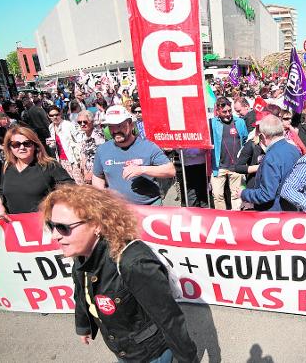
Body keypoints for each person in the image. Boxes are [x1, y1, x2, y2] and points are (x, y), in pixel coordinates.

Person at [40, 184, 197, 363]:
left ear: (97, 225)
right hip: (123, 349)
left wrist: (189, 360)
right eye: (51, 225)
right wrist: (83, 326)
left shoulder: (133, 263)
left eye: (63, 227)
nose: (54, 235)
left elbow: (170, 319)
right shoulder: (82, 256)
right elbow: (81, 294)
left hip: (150, 354)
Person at [93, 105, 175, 205]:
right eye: (111, 127)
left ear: (131, 125)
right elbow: (98, 176)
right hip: (118, 210)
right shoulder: (102, 150)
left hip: (148, 209)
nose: (115, 131)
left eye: (119, 125)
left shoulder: (148, 146)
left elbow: (170, 170)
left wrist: (141, 169)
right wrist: (102, 199)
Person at [0, 126, 73, 216]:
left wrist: (52, 204)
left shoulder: (49, 165)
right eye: (16, 144)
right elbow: (1, 190)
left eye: (27, 143)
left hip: (43, 222)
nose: (22, 147)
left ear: (35, 145)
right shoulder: (7, 167)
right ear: (10, 147)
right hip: (16, 224)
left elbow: (70, 188)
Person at [239, 115, 301, 211]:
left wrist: (243, 193)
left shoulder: (271, 157)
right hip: (290, 209)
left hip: (273, 214)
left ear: (263, 136)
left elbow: (266, 194)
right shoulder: (294, 150)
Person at [209, 97, 248, 210]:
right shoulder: (212, 123)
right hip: (218, 166)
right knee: (217, 195)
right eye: (224, 112)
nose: (228, 114)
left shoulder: (239, 122)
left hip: (236, 166)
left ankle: (235, 219)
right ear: (218, 111)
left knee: (236, 196)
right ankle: (221, 217)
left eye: (229, 111)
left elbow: (245, 139)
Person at [48, 106, 84, 184]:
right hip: (61, 160)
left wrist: (81, 159)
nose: (54, 117)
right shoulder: (51, 127)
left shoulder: (68, 125)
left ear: (60, 114)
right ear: (49, 116)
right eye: (51, 115)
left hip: (72, 158)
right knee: (69, 183)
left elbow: (79, 140)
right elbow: (55, 145)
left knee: (80, 182)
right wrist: (51, 144)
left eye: (56, 114)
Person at [77, 110, 106, 184]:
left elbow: (102, 156)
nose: (82, 124)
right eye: (79, 122)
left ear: (91, 121)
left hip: (98, 174)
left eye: (85, 122)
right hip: (87, 174)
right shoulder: (82, 135)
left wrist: (92, 173)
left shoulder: (98, 135)